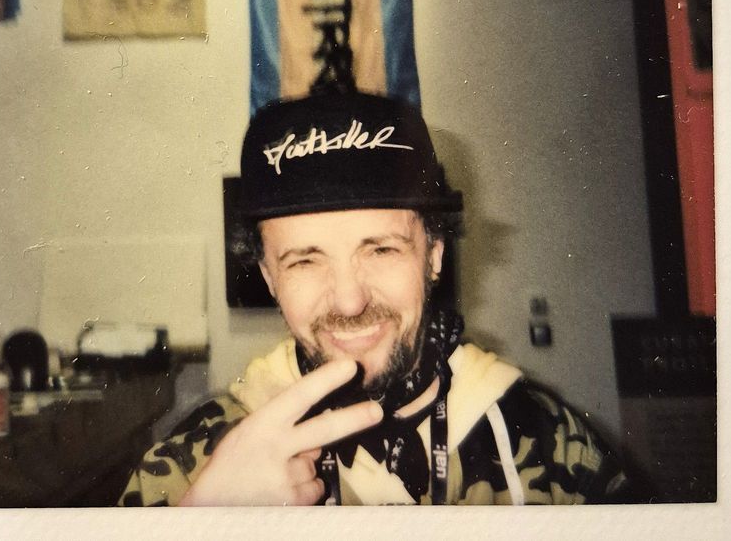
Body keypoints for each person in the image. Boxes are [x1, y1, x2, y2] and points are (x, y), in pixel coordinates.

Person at [119, 91, 641, 506]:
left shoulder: (556, 453)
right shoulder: (196, 466)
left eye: (382, 250)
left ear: (434, 253)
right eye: (305, 260)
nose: (348, 302)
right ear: (269, 276)